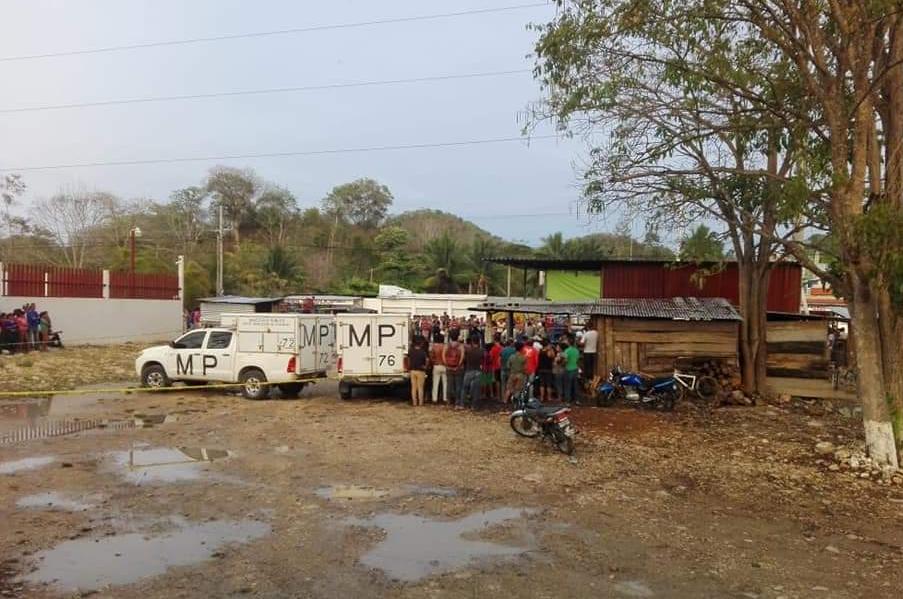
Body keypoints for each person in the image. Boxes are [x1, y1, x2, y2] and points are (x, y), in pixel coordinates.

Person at [460, 335, 484, 409]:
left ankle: (462, 404)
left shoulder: (468, 351)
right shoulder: (481, 351)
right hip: (478, 371)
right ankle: (474, 405)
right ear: (478, 342)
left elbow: (464, 359)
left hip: (469, 370)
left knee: (464, 388)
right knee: (476, 390)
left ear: (472, 342)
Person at [444, 329, 465, 408]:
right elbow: (462, 357)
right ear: (457, 336)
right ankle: (457, 401)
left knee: (449, 385)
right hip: (459, 368)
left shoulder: (447, 345)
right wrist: (458, 366)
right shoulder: (461, 346)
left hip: (449, 367)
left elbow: (443, 356)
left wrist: (447, 365)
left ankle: (449, 401)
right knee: (458, 385)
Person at [408, 337, 429, 407]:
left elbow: (408, 359)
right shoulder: (423, 352)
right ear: (420, 344)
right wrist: (425, 366)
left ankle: (414, 402)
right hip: (420, 371)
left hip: (412, 370)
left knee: (413, 388)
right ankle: (420, 402)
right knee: (420, 388)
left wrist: (409, 366)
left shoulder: (411, 351)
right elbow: (427, 360)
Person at [430, 333, 448, 403]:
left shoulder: (434, 347)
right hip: (444, 365)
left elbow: (431, 357)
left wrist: (434, 362)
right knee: (445, 383)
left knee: (435, 383)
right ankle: (445, 398)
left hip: (437, 365)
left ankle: (434, 399)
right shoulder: (445, 347)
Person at [489, 334, 503, 400]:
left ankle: (497, 395)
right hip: (501, 366)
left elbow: (491, 358)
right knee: (501, 381)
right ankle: (501, 395)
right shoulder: (502, 348)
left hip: (495, 366)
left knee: (496, 381)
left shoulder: (493, 349)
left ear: (494, 340)